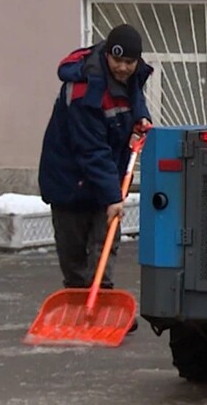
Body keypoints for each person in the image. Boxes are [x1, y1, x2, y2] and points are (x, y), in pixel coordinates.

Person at [38, 23, 154, 332]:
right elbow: (91, 150)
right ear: (107, 56)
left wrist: (141, 118)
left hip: (105, 173)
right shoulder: (84, 90)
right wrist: (112, 196)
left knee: (106, 240)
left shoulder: (133, 74)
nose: (123, 68)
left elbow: (134, 100)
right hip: (68, 176)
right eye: (118, 61)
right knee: (73, 247)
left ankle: (101, 303)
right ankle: (77, 302)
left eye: (129, 62)